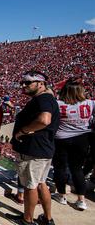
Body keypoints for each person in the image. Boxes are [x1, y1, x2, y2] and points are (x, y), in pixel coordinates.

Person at [11, 70, 60, 225]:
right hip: (43, 149)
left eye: (28, 82)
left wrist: (22, 132)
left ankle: (27, 219)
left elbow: (44, 120)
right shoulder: (47, 98)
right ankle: (47, 218)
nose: (23, 86)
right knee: (41, 183)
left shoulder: (43, 99)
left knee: (30, 186)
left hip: (34, 150)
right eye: (22, 83)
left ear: (41, 83)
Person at [52, 78, 95, 210]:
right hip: (82, 138)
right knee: (77, 169)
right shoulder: (90, 103)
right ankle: (81, 199)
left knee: (60, 167)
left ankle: (62, 195)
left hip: (61, 138)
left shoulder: (58, 104)